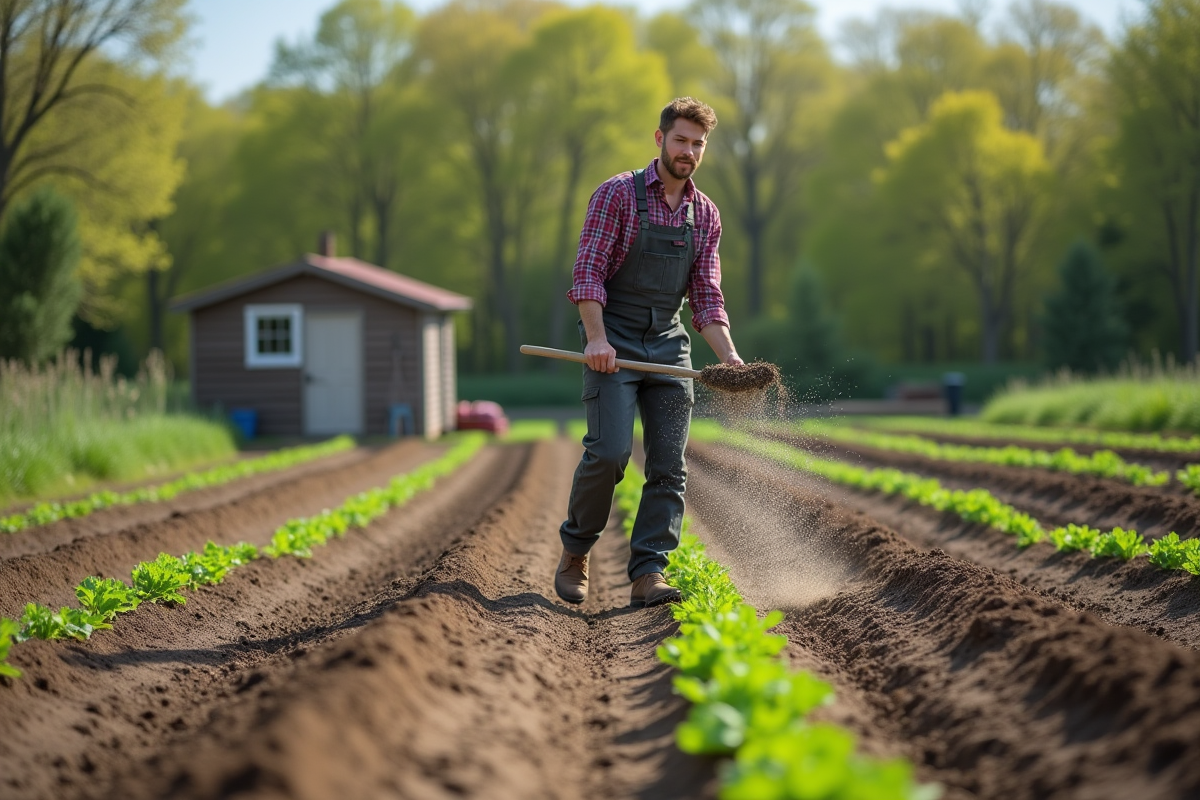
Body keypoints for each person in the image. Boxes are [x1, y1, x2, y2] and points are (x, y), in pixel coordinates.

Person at [555, 97, 743, 609]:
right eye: (680, 140)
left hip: (667, 344)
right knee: (611, 453)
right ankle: (576, 552)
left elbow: (705, 296)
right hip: (611, 341)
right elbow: (588, 273)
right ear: (659, 139)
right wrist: (596, 338)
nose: (689, 151)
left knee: (668, 466)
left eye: (698, 144)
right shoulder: (617, 195)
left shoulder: (705, 214)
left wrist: (728, 357)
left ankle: (648, 572)